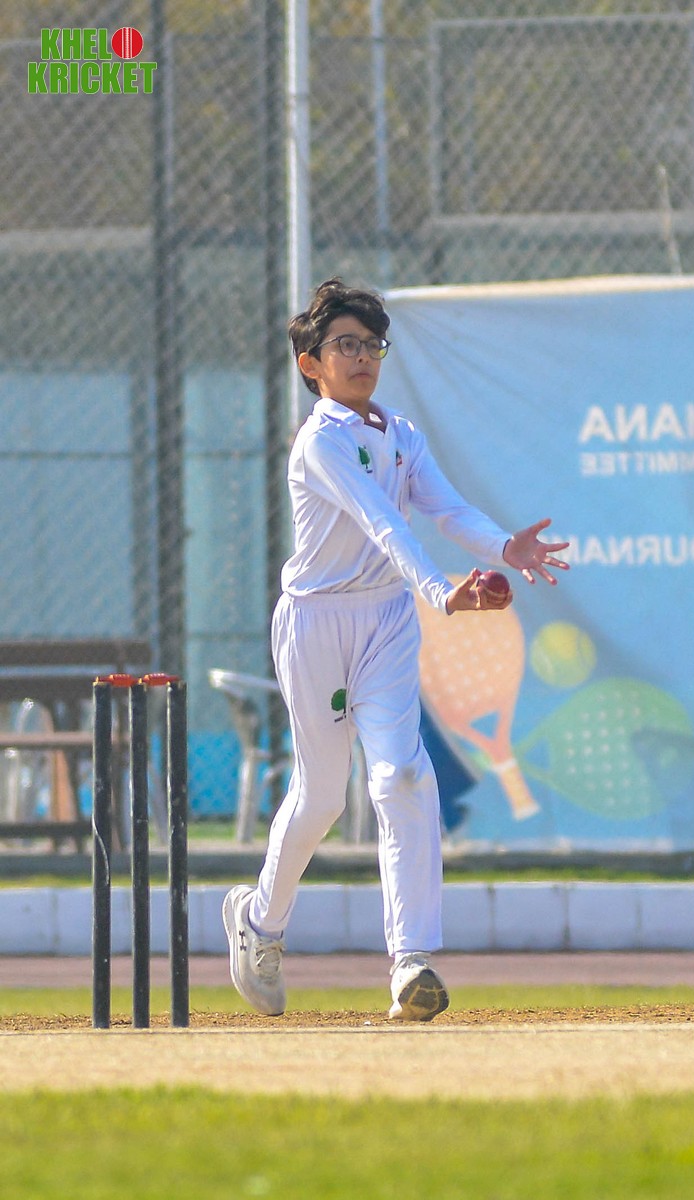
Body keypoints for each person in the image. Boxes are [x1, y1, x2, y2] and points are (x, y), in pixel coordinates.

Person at [223, 278, 569, 1021]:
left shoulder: (402, 434)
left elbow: (445, 507)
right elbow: (383, 523)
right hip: (315, 624)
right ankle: (259, 923)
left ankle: (411, 962)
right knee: (320, 795)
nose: (361, 357)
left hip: (385, 620)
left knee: (403, 776)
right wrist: (442, 593)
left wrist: (503, 547)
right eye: (344, 345)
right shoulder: (321, 441)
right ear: (311, 363)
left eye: (372, 345)